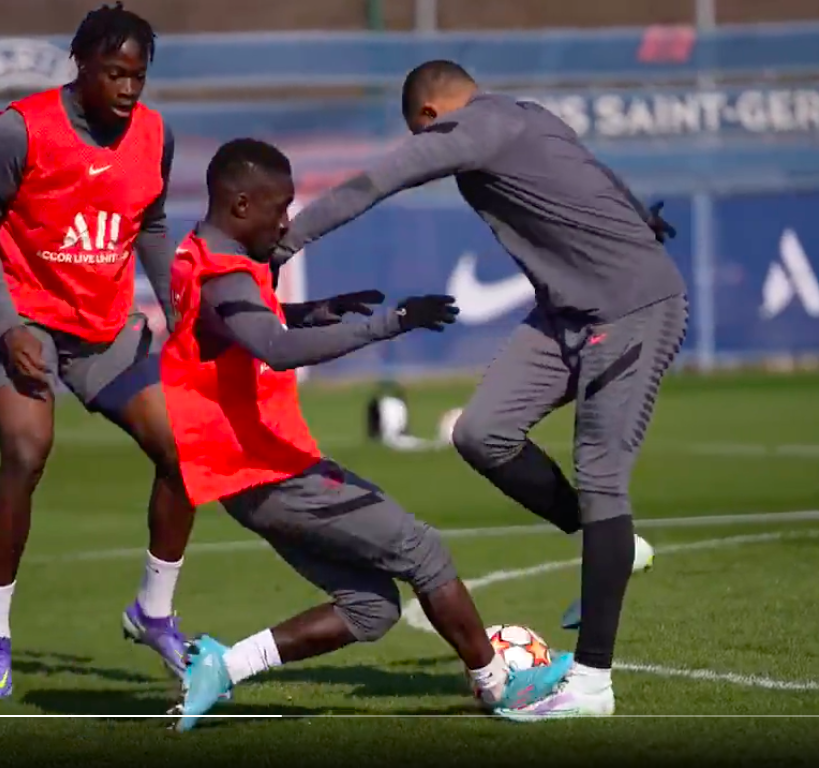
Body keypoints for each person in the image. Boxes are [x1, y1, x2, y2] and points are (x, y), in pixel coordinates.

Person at [268, 61, 688, 719]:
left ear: (430, 117)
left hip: (628, 307)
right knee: (480, 432)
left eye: (420, 134)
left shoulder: (474, 127)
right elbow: (596, 171)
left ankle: (591, 685)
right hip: (565, 313)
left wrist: (280, 244)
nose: (424, 147)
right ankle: (613, 543)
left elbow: (375, 182)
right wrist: (640, 214)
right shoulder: (528, 115)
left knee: (602, 476)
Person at [157, 138, 573, 731]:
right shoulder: (224, 275)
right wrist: (391, 324)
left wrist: (311, 310)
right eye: (281, 208)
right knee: (425, 553)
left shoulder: (197, 255)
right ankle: (497, 683)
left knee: (371, 608)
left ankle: (223, 668)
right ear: (242, 205)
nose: (288, 221)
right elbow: (272, 348)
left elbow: (232, 328)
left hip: (243, 476)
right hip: (270, 471)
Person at [0, 2, 194, 699]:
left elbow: (150, 221)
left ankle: (153, 612)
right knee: (27, 452)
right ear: (81, 65)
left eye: (139, 76)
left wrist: (175, 299)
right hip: (24, 327)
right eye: (115, 73)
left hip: (107, 334)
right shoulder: (20, 131)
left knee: (185, 454)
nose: (127, 89)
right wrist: (8, 326)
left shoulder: (154, 135)